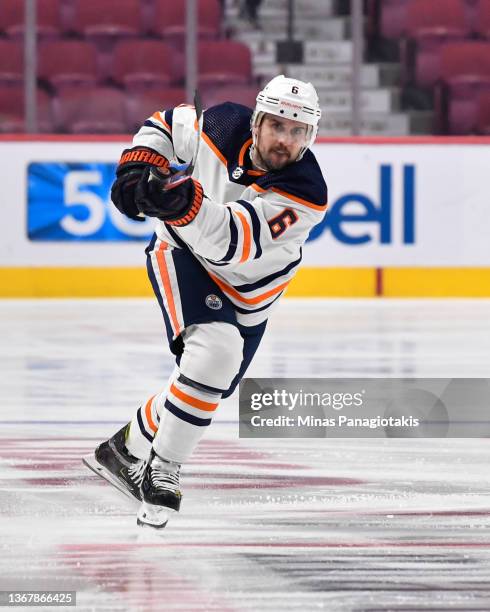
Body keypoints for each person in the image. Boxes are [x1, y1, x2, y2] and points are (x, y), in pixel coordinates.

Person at [84, 75, 328, 529]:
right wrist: (137, 168)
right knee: (215, 354)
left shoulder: (306, 192)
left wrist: (179, 201)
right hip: (181, 255)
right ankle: (163, 470)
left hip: (250, 292)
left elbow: (230, 242)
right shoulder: (220, 123)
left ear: (311, 136)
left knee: (209, 383)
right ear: (256, 121)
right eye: (277, 125)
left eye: (298, 132)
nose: (286, 140)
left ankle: (124, 450)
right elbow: (166, 124)